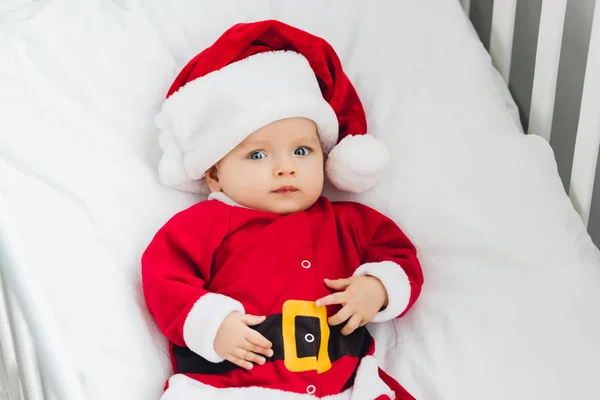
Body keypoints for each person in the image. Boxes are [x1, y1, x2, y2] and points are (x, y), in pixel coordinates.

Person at [142, 19, 424, 400]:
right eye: (257, 154)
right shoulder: (204, 223)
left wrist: (377, 288)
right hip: (235, 387)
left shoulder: (350, 223)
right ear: (214, 174)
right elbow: (164, 276)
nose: (285, 167)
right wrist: (212, 324)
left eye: (302, 151)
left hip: (345, 385)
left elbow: (400, 257)